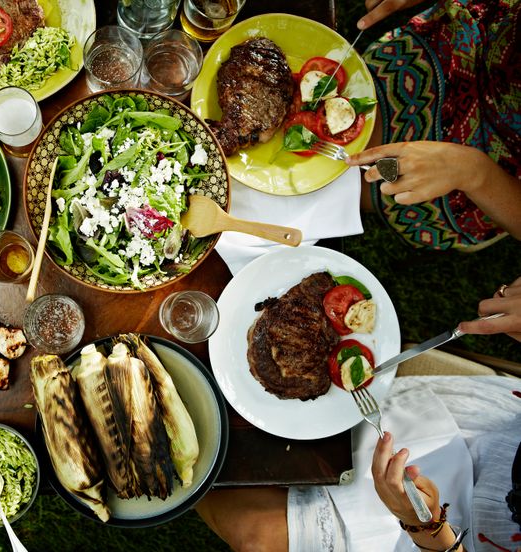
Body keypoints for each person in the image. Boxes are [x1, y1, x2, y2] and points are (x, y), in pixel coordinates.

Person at [196, 278, 521, 551]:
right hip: (490, 433)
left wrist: (424, 526)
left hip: (449, 539)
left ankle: (181, 451)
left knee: (257, 535)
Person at [343, 0, 521, 250]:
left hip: (494, 170)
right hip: (462, 40)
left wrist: (474, 172)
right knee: (343, 103)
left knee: (342, 183)